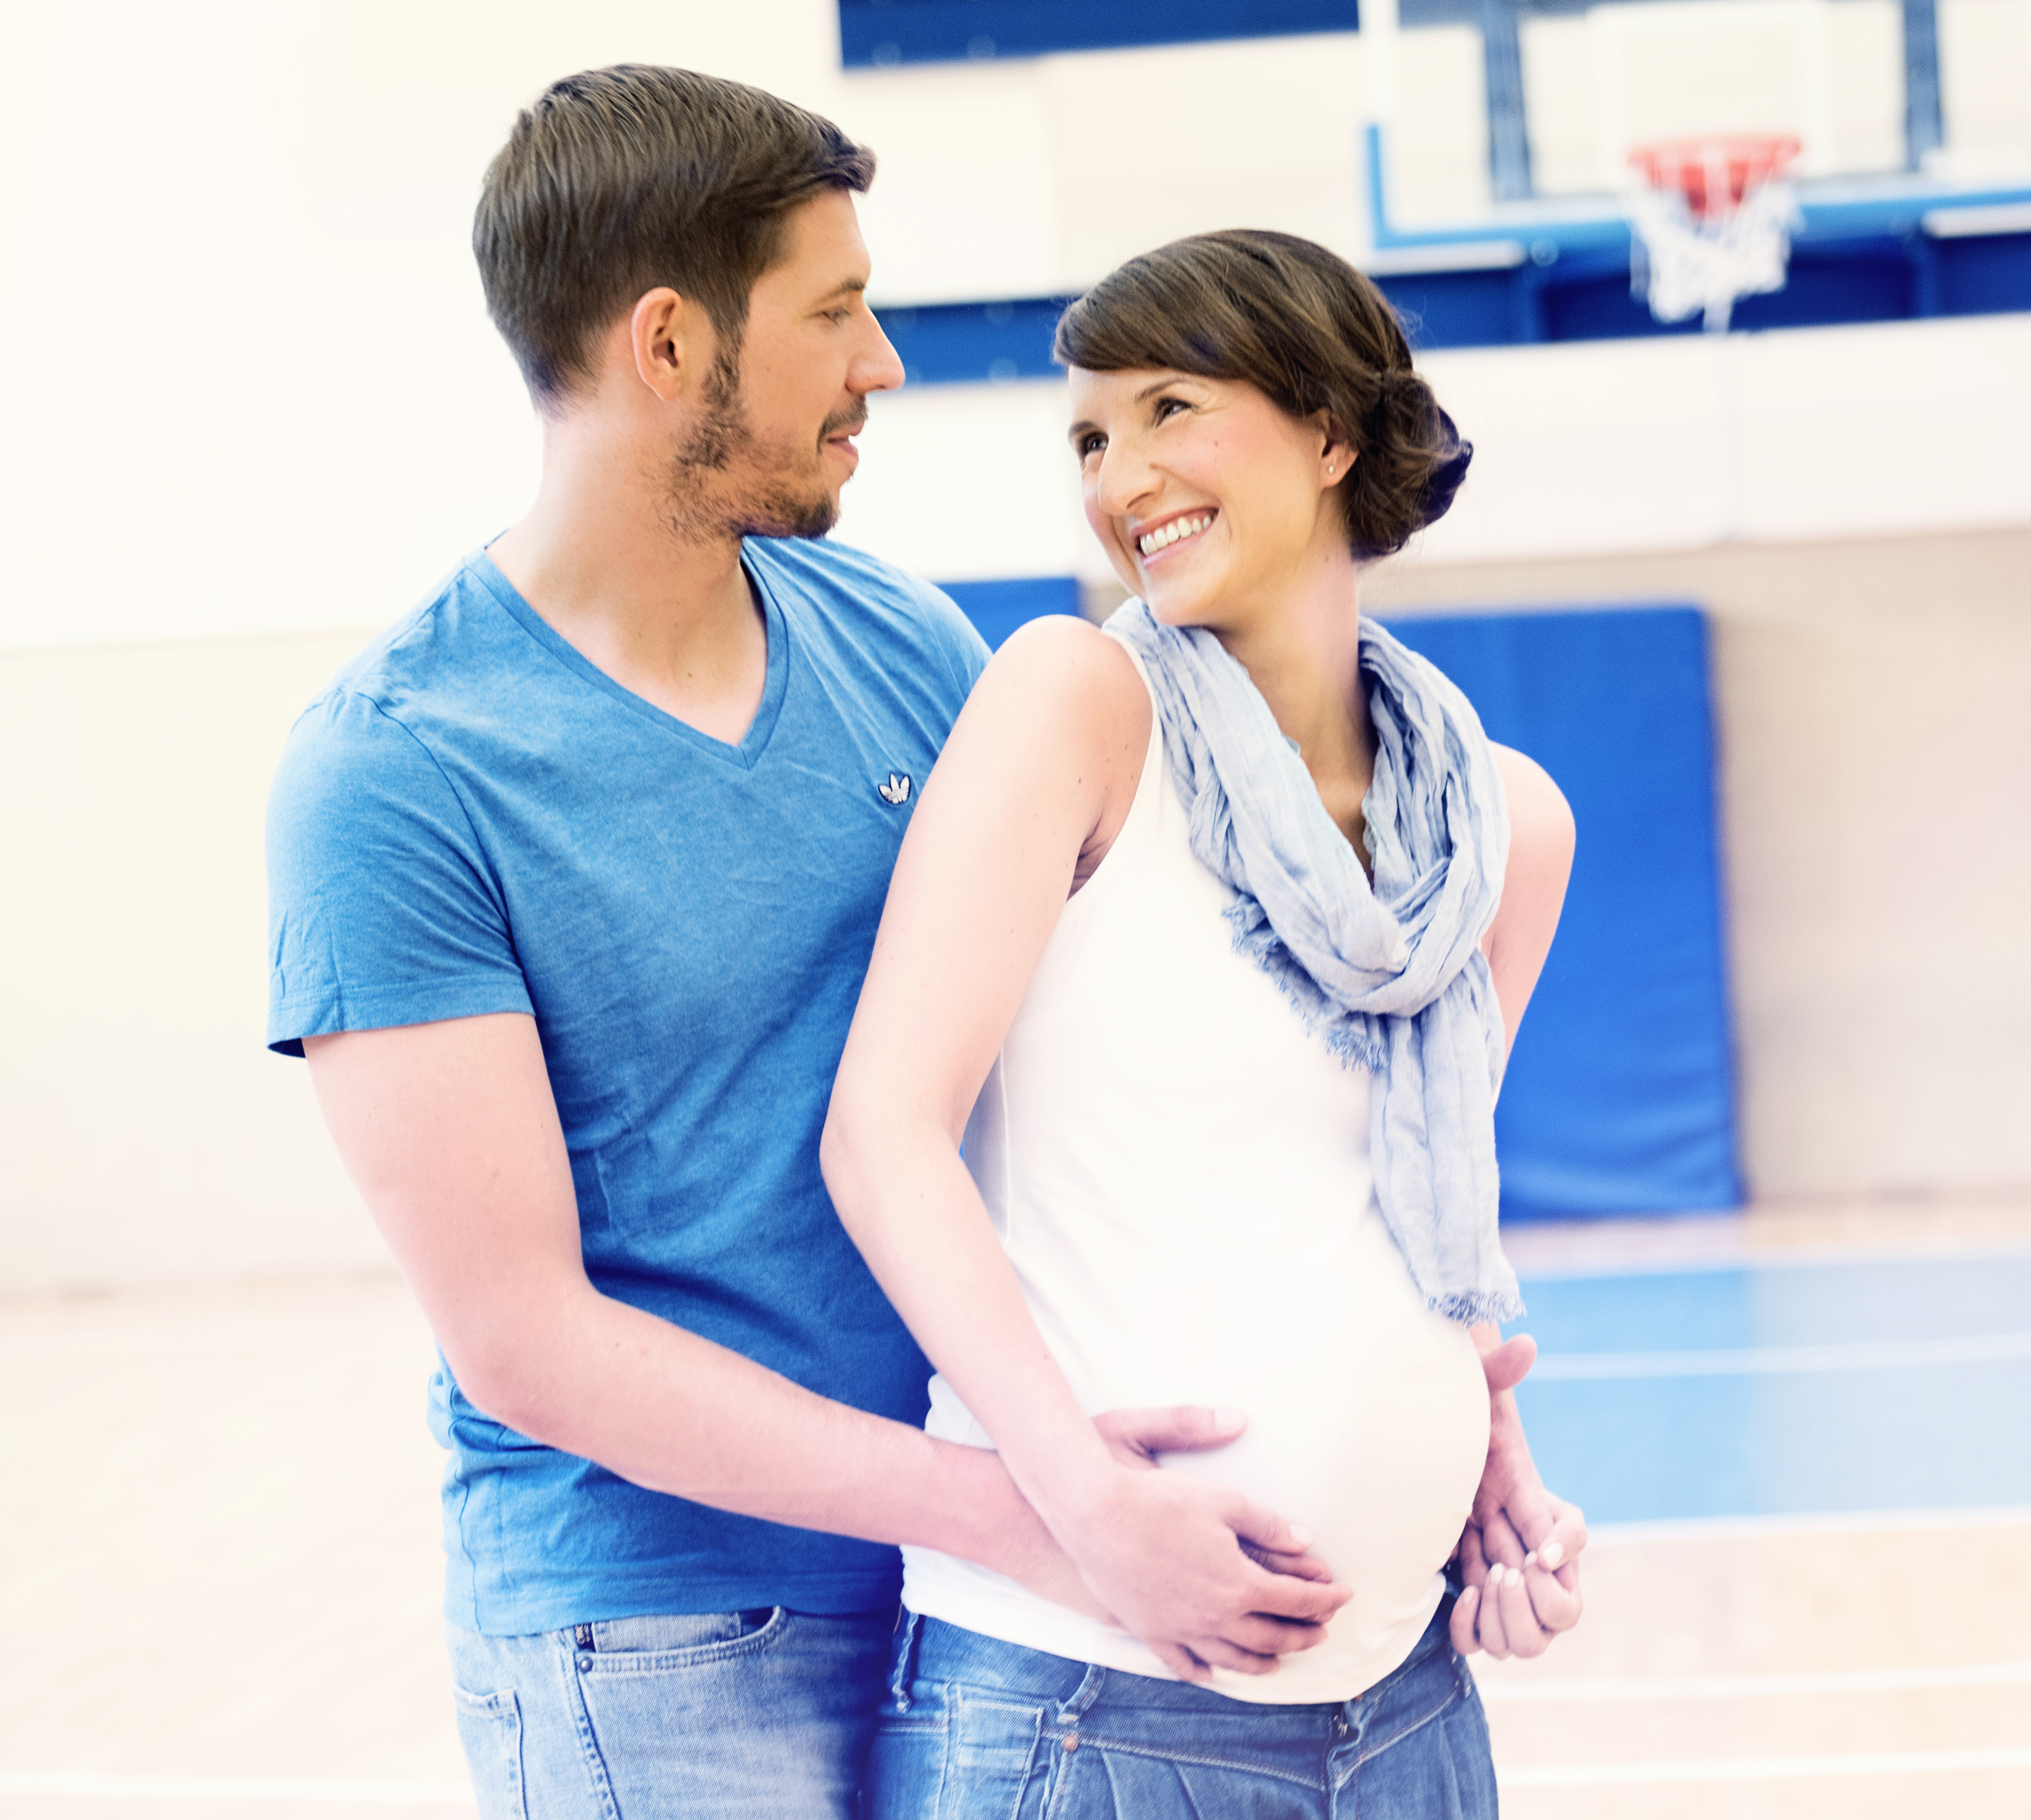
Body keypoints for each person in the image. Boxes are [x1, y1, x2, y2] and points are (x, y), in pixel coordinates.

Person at [263, 70, 1348, 1820]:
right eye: (836, 314)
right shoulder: (394, 774)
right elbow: (524, 1343)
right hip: (669, 1631)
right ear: (673, 345)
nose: (883, 364)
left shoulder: (902, 637)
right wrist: (1037, 1506)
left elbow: (1103, 1065)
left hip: (988, 1585)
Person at [820, 229, 1586, 1819]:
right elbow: (882, 1141)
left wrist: (1487, 1454)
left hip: (1409, 1694)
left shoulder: (1505, 831)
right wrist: (1086, 1505)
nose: (1121, 477)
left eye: (1173, 408)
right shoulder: (1074, 703)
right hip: (1086, 1697)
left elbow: (1404, 1228)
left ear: (1330, 431)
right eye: (1093, 437)